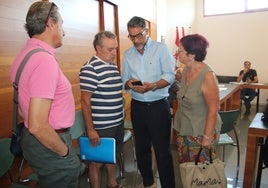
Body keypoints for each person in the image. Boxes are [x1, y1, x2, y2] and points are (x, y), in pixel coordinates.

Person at [10, 2, 81, 187]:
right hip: (49, 140)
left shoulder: (23, 56)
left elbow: (22, 111)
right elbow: (37, 126)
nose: (63, 32)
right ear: (50, 23)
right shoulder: (43, 61)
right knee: (70, 170)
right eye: (61, 25)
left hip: (33, 141)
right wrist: (65, 152)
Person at [122, 16, 175, 188]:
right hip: (138, 107)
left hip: (158, 106)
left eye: (138, 35)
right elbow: (125, 80)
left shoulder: (161, 49)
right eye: (131, 36)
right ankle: (148, 183)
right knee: (142, 149)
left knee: (162, 152)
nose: (135, 40)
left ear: (147, 31)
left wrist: (152, 86)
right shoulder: (128, 54)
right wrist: (129, 83)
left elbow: (170, 75)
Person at [79, 31, 125, 188]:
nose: (114, 53)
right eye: (110, 49)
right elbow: (85, 101)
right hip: (101, 126)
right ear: (98, 48)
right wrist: (91, 130)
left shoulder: (112, 65)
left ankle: (112, 183)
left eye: (116, 49)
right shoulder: (90, 68)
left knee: (111, 155)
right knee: (96, 162)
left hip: (117, 122)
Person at [173, 34, 222, 165]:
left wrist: (207, 138)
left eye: (180, 50)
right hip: (184, 129)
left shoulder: (207, 76)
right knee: (187, 169)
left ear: (192, 54)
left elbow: (213, 110)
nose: (177, 53)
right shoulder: (185, 71)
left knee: (201, 174)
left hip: (201, 132)